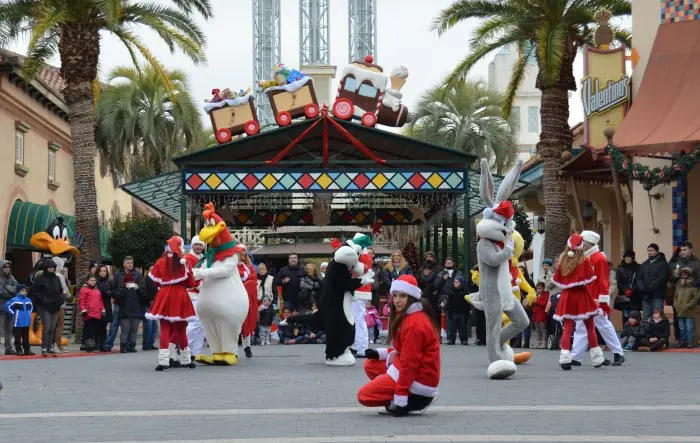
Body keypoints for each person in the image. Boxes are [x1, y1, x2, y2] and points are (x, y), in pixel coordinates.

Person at [358, 275, 440, 416]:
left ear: (411, 297)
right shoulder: (408, 315)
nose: (397, 300)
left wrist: (400, 398)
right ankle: (398, 392)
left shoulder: (414, 324)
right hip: (413, 370)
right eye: (395, 295)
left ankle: (411, 400)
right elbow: (403, 349)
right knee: (370, 364)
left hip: (420, 379)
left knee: (364, 396)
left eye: (402, 296)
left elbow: (410, 362)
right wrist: (381, 353)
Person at [570, 231, 624, 367]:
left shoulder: (599, 259)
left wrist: (603, 300)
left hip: (595, 299)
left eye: (583, 243)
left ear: (588, 244)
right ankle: (575, 357)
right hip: (585, 297)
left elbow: (604, 281)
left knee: (603, 325)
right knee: (581, 327)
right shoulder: (583, 258)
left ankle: (618, 353)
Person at [552, 233, 604, 370]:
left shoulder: (562, 261)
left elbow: (557, 280)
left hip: (567, 296)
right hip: (582, 296)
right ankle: (597, 358)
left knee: (567, 328)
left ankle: (564, 358)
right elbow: (591, 278)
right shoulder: (584, 261)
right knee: (590, 327)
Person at [147, 236, 197, 371]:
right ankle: (186, 360)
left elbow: (156, 281)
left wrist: (165, 285)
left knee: (165, 328)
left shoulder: (160, 261)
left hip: (164, 295)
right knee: (181, 329)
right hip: (179, 295)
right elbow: (191, 283)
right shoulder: (184, 262)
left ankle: (163, 362)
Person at [29, 258, 68, 356]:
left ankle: (50, 347)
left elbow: (60, 291)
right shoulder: (40, 278)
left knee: (52, 327)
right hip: (43, 306)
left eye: (53, 267)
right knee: (46, 327)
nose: (51, 269)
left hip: (55, 305)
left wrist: (61, 299)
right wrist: (43, 300)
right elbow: (34, 292)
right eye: (49, 267)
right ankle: (44, 347)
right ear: (45, 268)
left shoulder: (57, 278)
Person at [106, 256, 145, 351]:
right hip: (120, 303)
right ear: (124, 264)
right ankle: (109, 345)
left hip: (134, 303)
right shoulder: (118, 274)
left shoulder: (138, 274)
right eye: (128, 263)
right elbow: (113, 289)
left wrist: (136, 286)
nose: (130, 264)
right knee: (116, 325)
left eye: (131, 262)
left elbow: (142, 287)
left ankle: (130, 346)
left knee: (132, 327)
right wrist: (119, 294)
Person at [115, 270, 147, 354]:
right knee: (124, 331)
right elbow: (118, 298)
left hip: (136, 312)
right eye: (128, 281)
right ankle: (123, 347)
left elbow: (144, 297)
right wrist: (125, 289)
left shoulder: (136, 289)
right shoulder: (122, 289)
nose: (130, 283)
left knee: (134, 331)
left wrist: (138, 289)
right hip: (125, 313)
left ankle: (133, 346)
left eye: (131, 281)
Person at [185, 236, 206, 358]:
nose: (198, 247)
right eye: (196, 244)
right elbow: (191, 276)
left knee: (202, 324)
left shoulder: (203, 258)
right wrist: (201, 287)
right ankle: (184, 346)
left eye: (200, 245)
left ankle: (195, 352)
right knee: (196, 322)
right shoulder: (189, 258)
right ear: (192, 245)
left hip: (201, 293)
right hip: (193, 293)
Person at [636, 243, 668, 319]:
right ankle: (647, 331)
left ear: (657, 251)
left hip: (657, 295)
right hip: (645, 295)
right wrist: (642, 288)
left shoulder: (662, 264)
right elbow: (639, 278)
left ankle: (657, 331)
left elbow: (661, 278)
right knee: (646, 316)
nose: (649, 252)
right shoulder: (644, 264)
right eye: (648, 250)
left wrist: (650, 287)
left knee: (658, 316)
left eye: (652, 250)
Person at [237, 245, 258, 358]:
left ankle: (247, 346)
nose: (243, 253)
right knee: (235, 323)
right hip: (234, 296)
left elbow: (254, 278)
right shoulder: (232, 266)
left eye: (244, 251)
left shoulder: (249, 266)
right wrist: (244, 276)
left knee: (247, 320)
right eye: (241, 251)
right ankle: (233, 349)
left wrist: (246, 277)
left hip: (247, 296)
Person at [671, 268, 700, 348]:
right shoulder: (679, 286)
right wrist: (675, 305)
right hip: (680, 310)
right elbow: (676, 296)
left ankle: (690, 341)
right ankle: (683, 341)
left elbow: (695, 298)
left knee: (689, 327)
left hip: (689, 311)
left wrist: (687, 306)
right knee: (681, 327)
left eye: (685, 275)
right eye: (682, 275)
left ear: (689, 275)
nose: (683, 277)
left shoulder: (693, 286)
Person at [3, 285, 34, 356]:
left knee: (26, 336)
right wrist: (14, 314)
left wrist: (29, 314)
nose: (24, 292)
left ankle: (27, 350)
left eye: (25, 291)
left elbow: (31, 307)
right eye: (22, 290)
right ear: (18, 291)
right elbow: (7, 306)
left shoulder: (28, 300)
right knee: (18, 336)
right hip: (18, 322)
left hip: (26, 322)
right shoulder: (14, 299)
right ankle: (18, 350)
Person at [78, 274, 106, 352]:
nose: (93, 282)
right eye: (91, 280)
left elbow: (100, 301)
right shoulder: (84, 289)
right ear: (87, 281)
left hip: (97, 314)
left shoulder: (97, 290)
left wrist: (103, 310)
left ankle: (95, 345)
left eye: (94, 280)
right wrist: (83, 310)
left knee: (95, 330)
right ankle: (89, 346)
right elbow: (81, 301)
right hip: (88, 313)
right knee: (88, 330)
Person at [615, 251, 641, 326]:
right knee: (625, 315)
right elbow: (619, 281)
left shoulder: (638, 267)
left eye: (629, 257)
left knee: (635, 315)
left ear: (632, 258)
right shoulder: (620, 268)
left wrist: (632, 290)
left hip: (635, 295)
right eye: (626, 257)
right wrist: (625, 290)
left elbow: (639, 280)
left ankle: (636, 333)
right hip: (624, 296)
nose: (627, 258)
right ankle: (626, 332)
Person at [51, 257, 71, 353]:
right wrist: (69, 297)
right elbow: (64, 290)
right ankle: (58, 346)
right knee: (60, 325)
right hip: (60, 303)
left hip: (50, 304)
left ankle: (50, 346)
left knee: (51, 325)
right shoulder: (60, 275)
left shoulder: (48, 275)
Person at [417, 251, 443, 325]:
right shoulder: (421, 269)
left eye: (431, 257)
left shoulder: (439, 269)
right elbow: (417, 281)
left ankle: (437, 334)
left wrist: (438, 291)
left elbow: (441, 282)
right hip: (424, 296)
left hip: (436, 296)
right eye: (427, 257)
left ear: (434, 258)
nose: (429, 258)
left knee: (436, 316)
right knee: (424, 316)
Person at [0, 260, 19, 355]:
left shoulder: (11, 277)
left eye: (8, 267)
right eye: (5, 266)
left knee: (9, 329)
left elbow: (18, 288)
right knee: (1, 329)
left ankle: (8, 348)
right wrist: (10, 290)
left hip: (10, 307)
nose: (7, 268)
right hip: (1, 306)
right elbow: (1, 291)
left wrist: (6, 287)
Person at [95, 265, 113, 352]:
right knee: (98, 325)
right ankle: (97, 344)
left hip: (106, 305)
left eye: (104, 271)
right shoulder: (96, 281)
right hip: (98, 306)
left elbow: (111, 292)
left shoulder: (108, 281)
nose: (103, 272)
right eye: (101, 271)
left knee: (104, 325)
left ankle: (103, 344)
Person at [142, 263, 159, 351]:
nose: (153, 270)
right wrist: (150, 300)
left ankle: (151, 343)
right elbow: (143, 293)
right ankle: (146, 344)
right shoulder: (145, 279)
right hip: (147, 304)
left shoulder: (157, 280)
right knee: (148, 325)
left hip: (156, 305)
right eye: (151, 269)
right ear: (148, 270)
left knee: (155, 326)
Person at [531, 282, 549, 349]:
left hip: (542, 315)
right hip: (536, 315)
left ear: (543, 288)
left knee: (543, 330)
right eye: (537, 289)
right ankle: (538, 343)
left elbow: (544, 304)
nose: (538, 290)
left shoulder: (546, 295)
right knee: (538, 330)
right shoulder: (536, 295)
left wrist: (536, 301)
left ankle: (544, 343)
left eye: (540, 288)